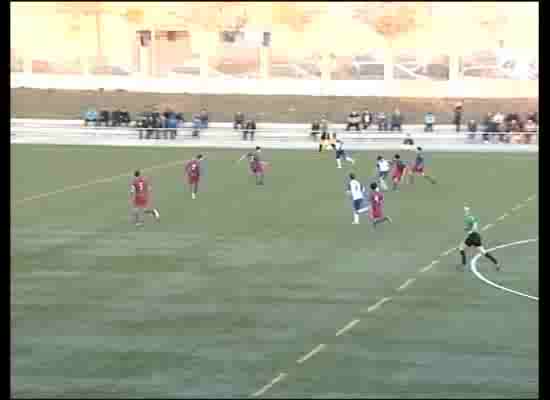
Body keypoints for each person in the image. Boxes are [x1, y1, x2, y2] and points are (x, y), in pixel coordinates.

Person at [458, 206, 501, 271]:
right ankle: (496, 263)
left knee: (461, 248)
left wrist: (469, 229)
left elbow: (473, 228)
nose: (466, 214)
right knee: (483, 252)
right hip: (477, 237)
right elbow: (473, 223)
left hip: (472, 237)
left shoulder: (469, 219)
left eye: (466, 212)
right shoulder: (473, 218)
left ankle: (463, 265)